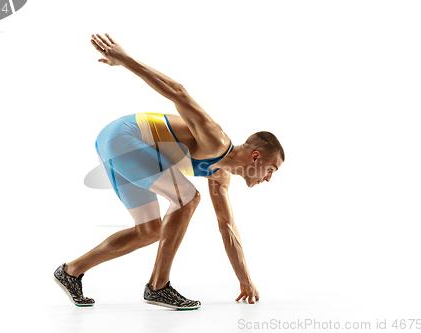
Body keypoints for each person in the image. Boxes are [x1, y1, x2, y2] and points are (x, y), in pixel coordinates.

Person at [53, 33, 285, 310]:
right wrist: (126, 60)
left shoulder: (219, 176)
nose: (269, 178)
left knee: (150, 230)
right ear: (255, 156)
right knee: (188, 197)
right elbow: (178, 92)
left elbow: (227, 228)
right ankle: (158, 287)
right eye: (271, 169)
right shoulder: (217, 140)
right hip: (124, 138)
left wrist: (245, 280)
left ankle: (71, 271)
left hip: (121, 150)